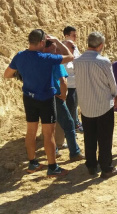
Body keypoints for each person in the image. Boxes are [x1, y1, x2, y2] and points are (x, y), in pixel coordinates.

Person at [3, 29, 73, 177]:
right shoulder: (46, 57)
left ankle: (32, 163)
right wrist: (58, 42)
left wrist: (22, 74)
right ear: (42, 42)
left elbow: (7, 74)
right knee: (49, 134)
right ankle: (52, 167)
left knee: (31, 131)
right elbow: (70, 56)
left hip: (29, 97)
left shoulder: (20, 56)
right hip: (46, 99)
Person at [74, 32, 117, 179]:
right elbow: (112, 84)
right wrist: (115, 96)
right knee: (105, 138)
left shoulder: (77, 61)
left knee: (89, 137)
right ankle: (106, 168)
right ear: (100, 45)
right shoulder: (103, 61)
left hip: (86, 106)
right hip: (103, 105)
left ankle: (91, 166)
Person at [43, 40, 83, 161]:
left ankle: (53, 151)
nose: (56, 51)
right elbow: (63, 81)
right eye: (54, 49)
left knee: (48, 127)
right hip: (55, 97)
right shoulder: (55, 60)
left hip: (41, 97)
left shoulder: (37, 59)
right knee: (69, 124)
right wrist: (63, 95)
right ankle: (74, 152)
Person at [62, 26, 83, 132]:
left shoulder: (74, 47)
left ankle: (76, 123)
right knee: (70, 106)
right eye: (73, 35)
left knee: (74, 105)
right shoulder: (61, 49)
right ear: (66, 36)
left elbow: (78, 58)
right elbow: (67, 67)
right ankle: (71, 128)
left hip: (75, 83)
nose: (76, 37)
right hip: (68, 84)